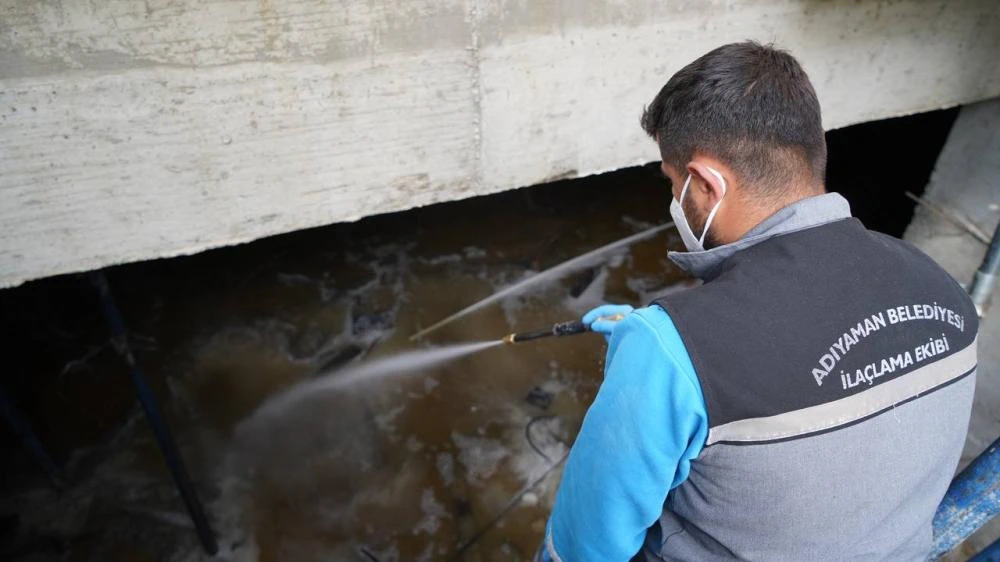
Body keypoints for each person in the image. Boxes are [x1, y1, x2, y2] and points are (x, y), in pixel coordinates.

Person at [535, 42, 979, 561]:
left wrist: (657, 357)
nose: (674, 199)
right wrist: (664, 355)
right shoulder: (943, 288)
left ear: (704, 183)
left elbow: (583, 550)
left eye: (673, 183)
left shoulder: (668, 352)